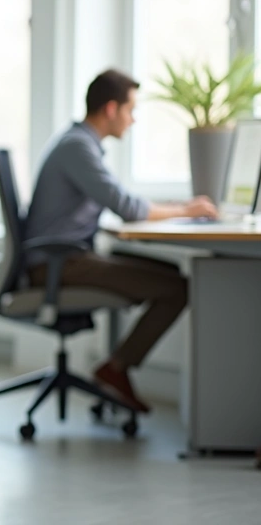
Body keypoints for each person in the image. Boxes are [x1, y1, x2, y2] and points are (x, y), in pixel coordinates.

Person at [23, 69, 219, 413]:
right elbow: (128, 207)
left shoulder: (80, 144)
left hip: (66, 260)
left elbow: (123, 201)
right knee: (177, 287)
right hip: (59, 265)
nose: (133, 120)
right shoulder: (78, 147)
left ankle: (116, 370)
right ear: (111, 109)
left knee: (170, 272)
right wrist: (186, 208)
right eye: (131, 110)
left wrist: (180, 208)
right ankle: (116, 369)